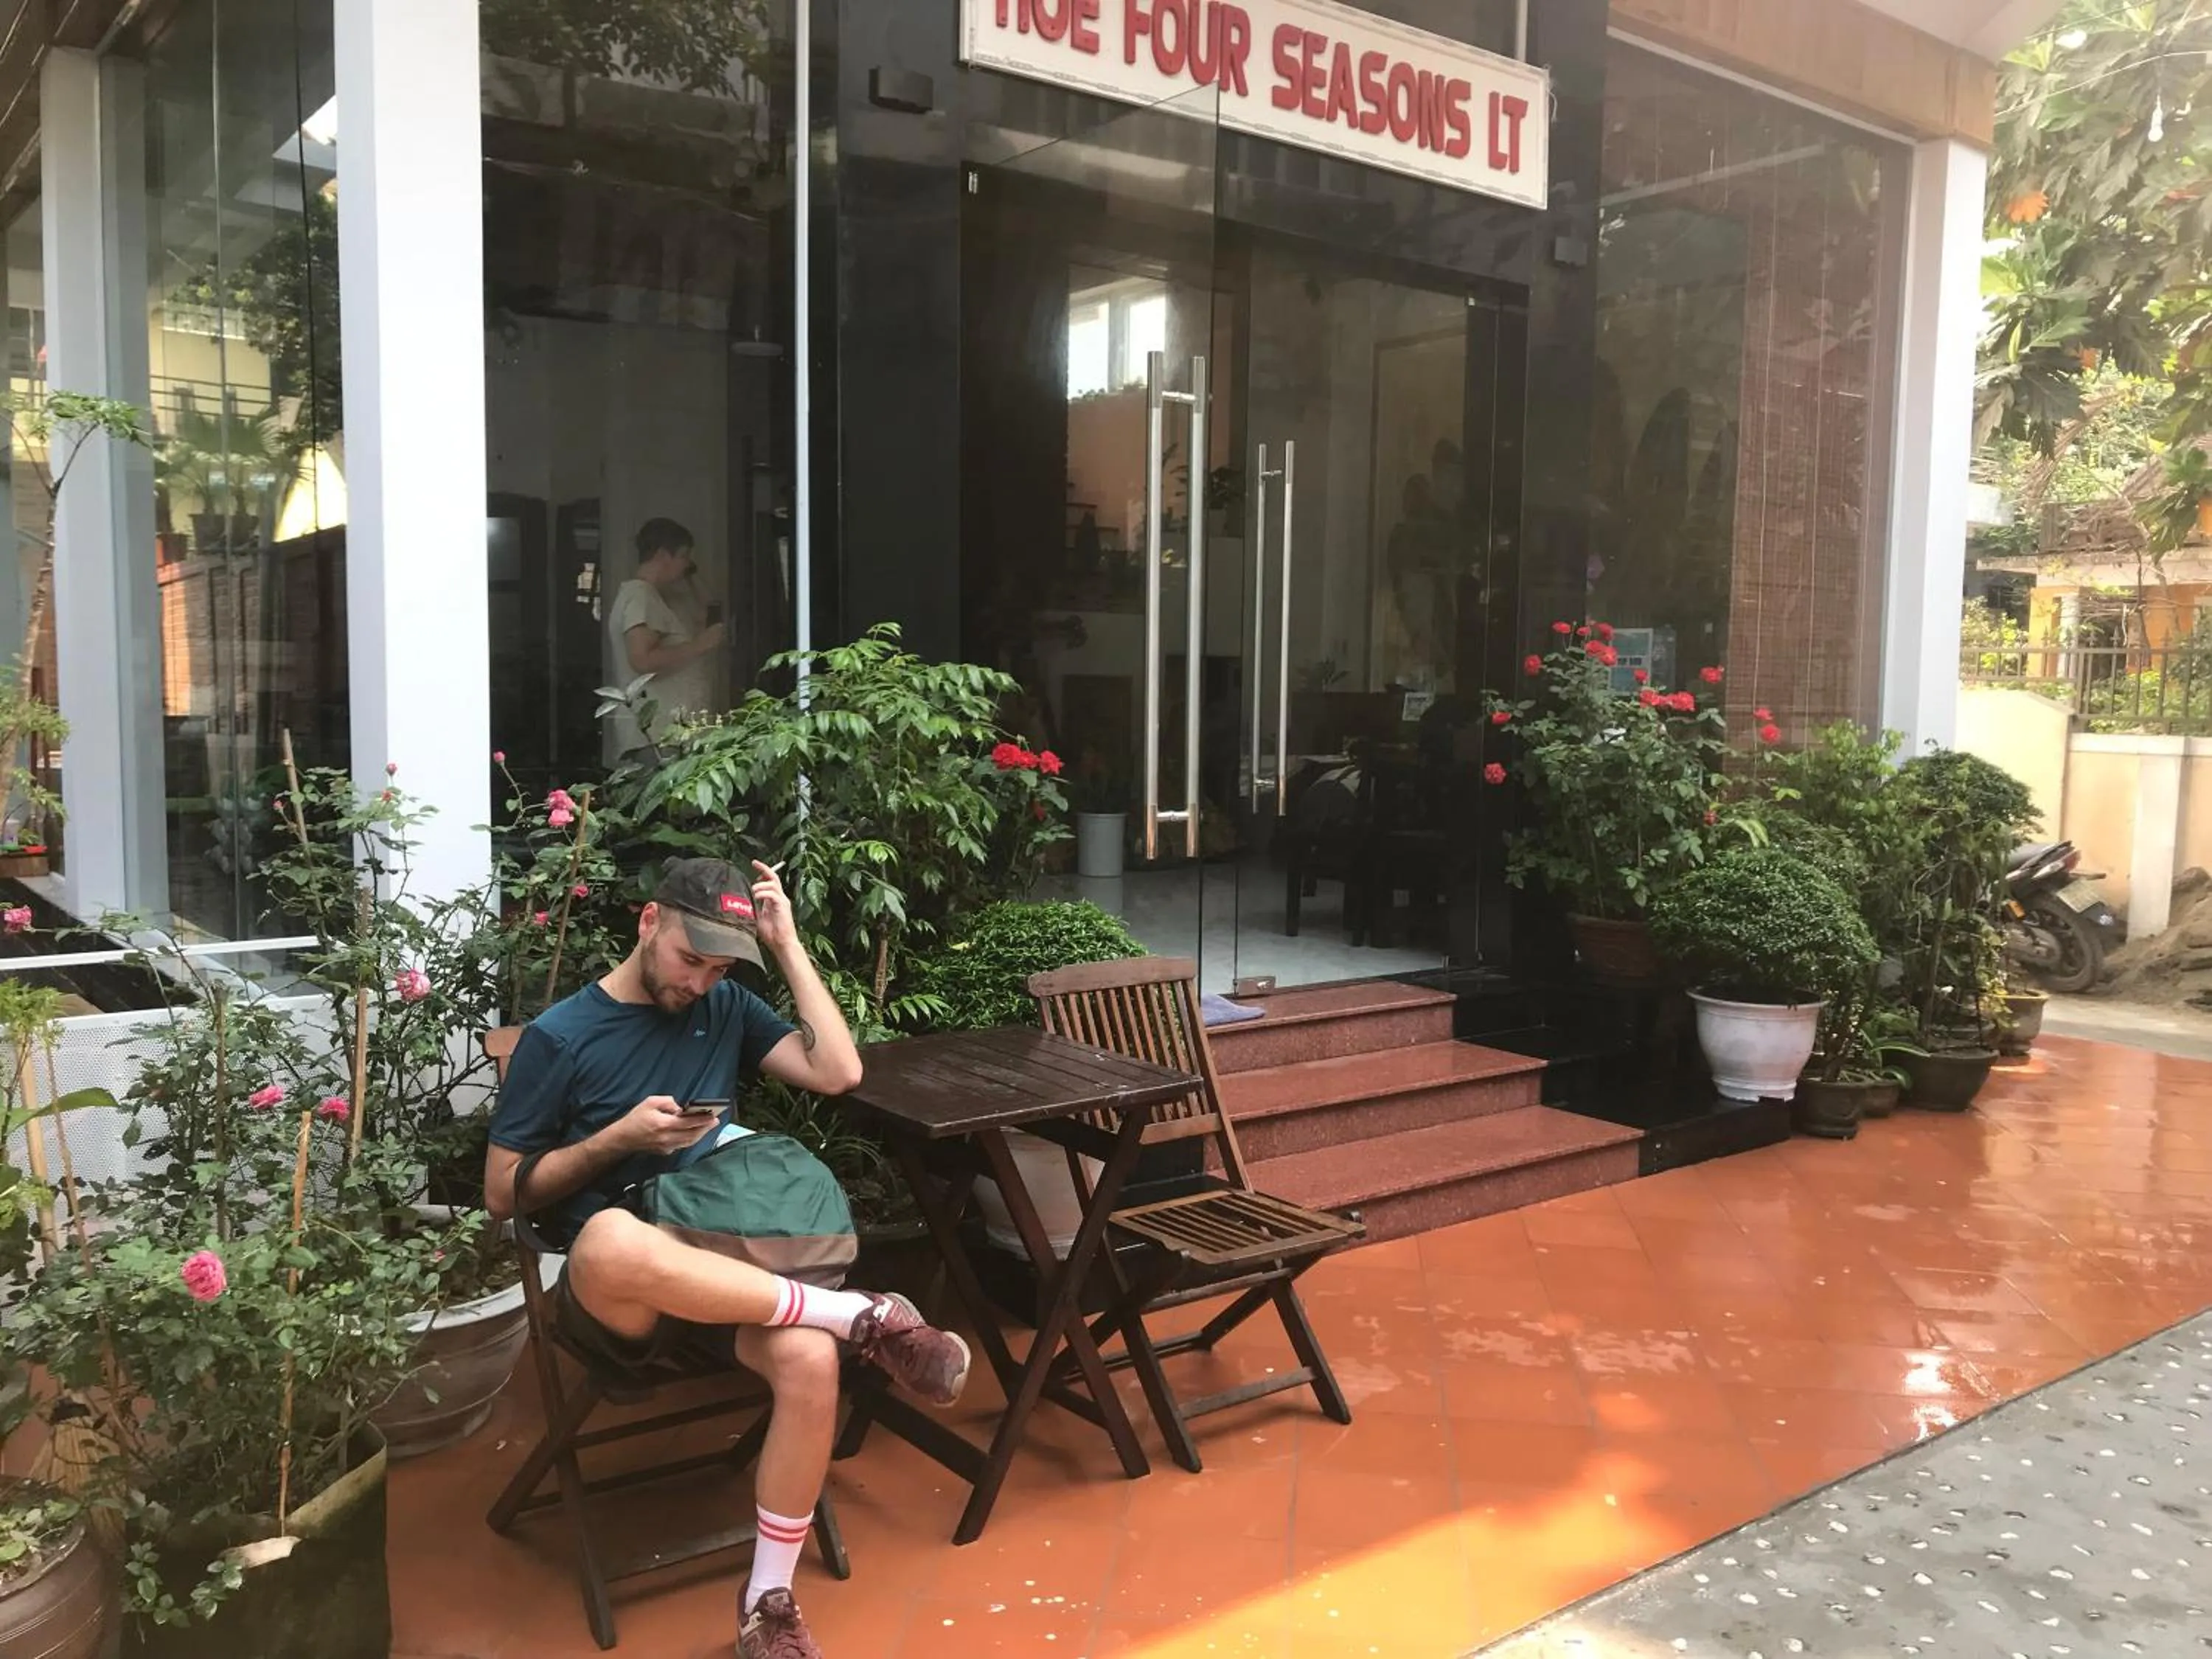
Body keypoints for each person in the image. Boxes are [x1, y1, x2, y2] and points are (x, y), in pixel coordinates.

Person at [485, 857, 970, 1659]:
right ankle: (862, 1317)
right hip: (626, 1293)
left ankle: (766, 1601)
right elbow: (504, 1194)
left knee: (812, 1361)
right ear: (648, 922)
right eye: (691, 958)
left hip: (728, 1275)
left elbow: (839, 1071)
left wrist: (784, 944)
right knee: (608, 1235)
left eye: (719, 966)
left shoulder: (726, 1007)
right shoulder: (560, 1038)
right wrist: (620, 1140)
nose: (701, 981)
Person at [606, 517, 725, 757]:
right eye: (683, 557)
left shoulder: (654, 596)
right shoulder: (641, 596)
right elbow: (642, 660)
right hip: (659, 739)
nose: (686, 565)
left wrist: (691, 572)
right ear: (662, 554)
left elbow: (709, 607)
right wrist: (699, 646)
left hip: (668, 737)